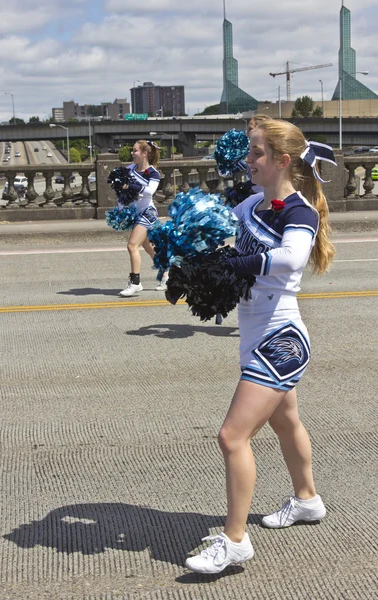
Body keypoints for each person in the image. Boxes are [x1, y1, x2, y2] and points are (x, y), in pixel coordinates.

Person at [185, 119, 336, 574]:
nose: (247, 161)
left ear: (282, 161)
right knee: (286, 422)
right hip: (257, 336)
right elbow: (212, 231)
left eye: (256, 154)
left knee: (232, 436)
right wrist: (178, 247)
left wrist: (237, 264)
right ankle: (307, 500)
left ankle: (234, 542)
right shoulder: (253, 203)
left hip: (280, 340)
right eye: (249, 152)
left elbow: (289, 258)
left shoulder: (300, 211)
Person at [118, 140, 168, 297]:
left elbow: (149, 191)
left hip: (147, 212)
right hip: (135, 213)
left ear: (144, 153)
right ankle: (166, 273)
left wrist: (130, 186)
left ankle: (135, 282)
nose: (132, 153)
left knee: (132, 246)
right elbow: (120, 188)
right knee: (148, 247)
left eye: (135, 151)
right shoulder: (129, 169)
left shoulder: (153, 173)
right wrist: (120, 208)